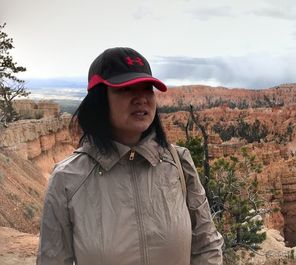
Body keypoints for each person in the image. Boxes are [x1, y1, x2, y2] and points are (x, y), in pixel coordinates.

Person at [37, 47, 223, 264]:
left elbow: (206, 244)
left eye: (147, 88)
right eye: (125, 89)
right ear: (99, 99)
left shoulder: (179, 163)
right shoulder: (68, 179)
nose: (141, 98)